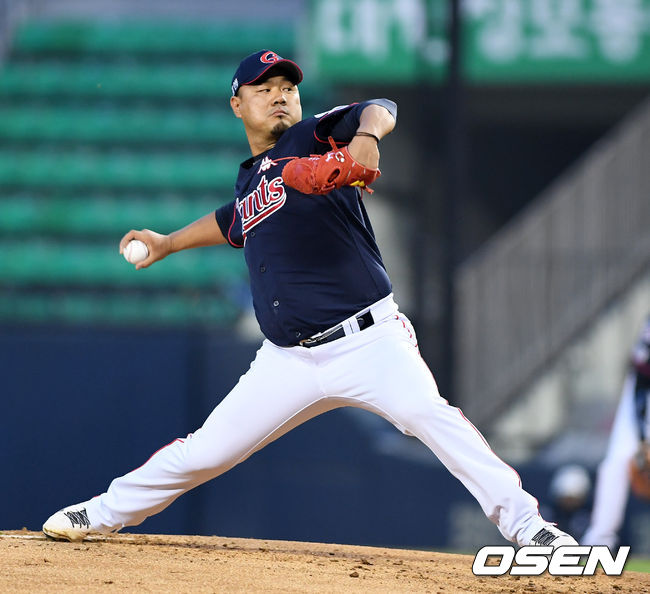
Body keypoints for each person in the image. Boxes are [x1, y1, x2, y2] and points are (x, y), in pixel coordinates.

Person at [42, 49, 577, 549]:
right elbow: (232, 221)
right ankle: (101, 512)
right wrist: (169, 242)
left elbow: (380, 107)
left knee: (429, 415)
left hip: (369, 341)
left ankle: (530, 527)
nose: (279, 95)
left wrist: (365, 137)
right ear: (237, 105)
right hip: (287, 360)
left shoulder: (312, 136)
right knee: (205, 451)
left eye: (287, 88)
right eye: (263, 89)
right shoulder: (251, 180)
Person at [582, 315, 650, 548]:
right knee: (616, 464)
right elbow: (642, 370)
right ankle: (600, 539)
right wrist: (643, 437)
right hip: (642, 394)